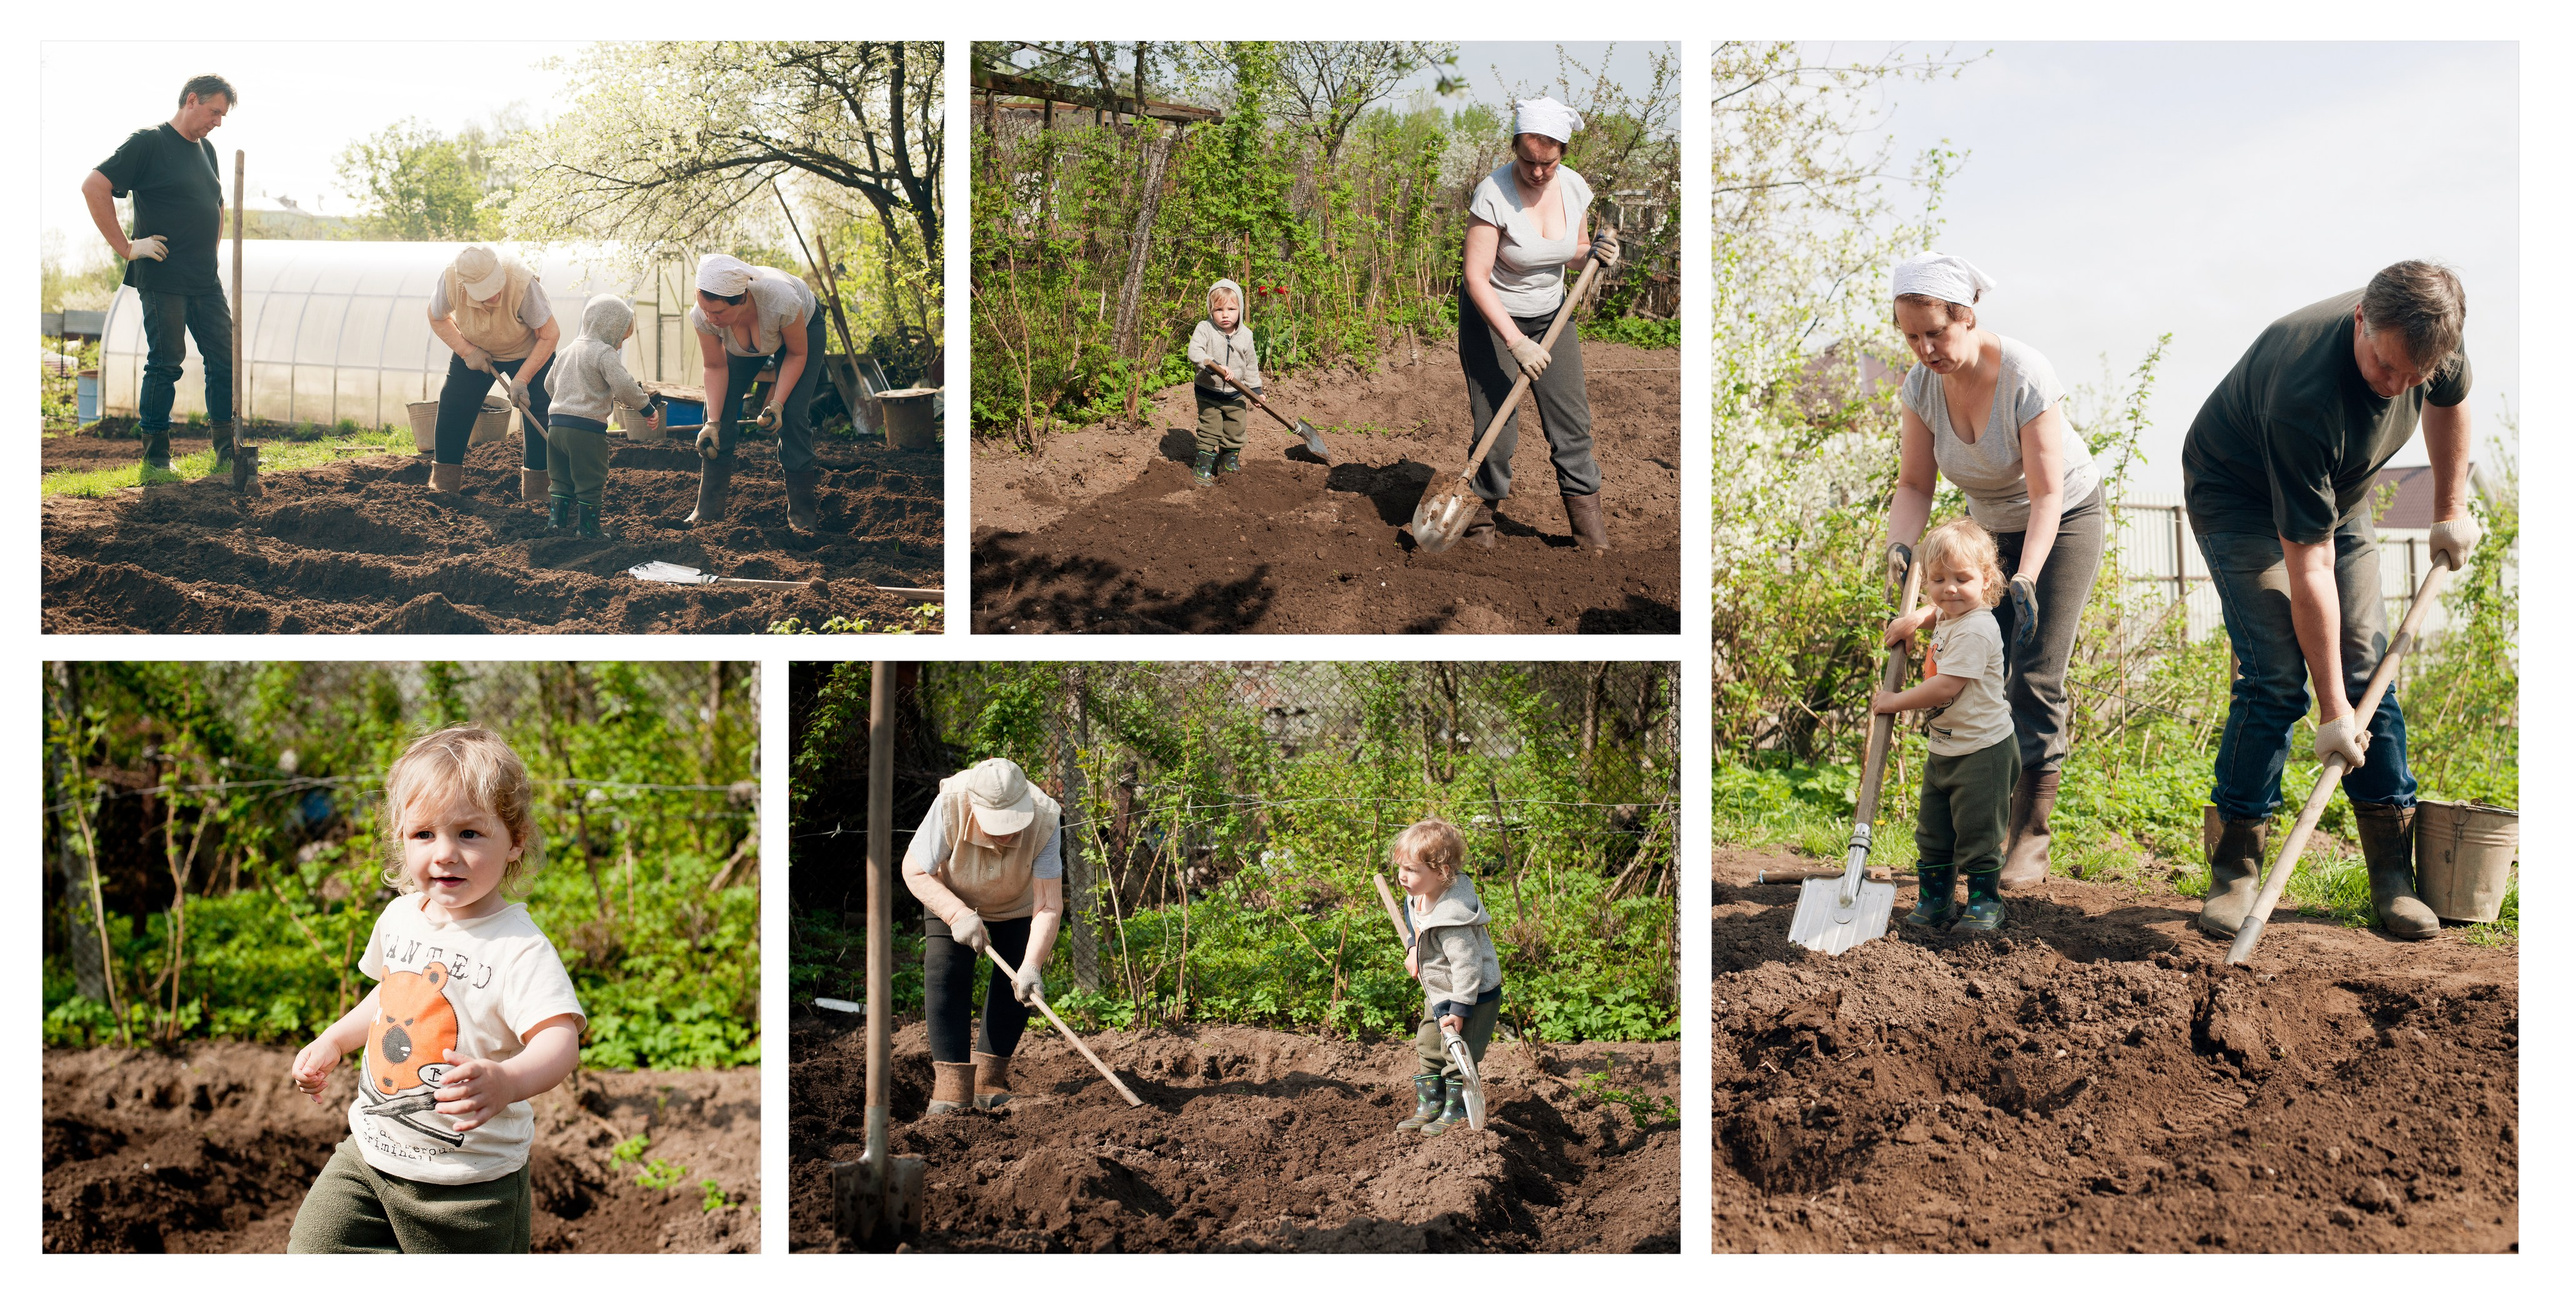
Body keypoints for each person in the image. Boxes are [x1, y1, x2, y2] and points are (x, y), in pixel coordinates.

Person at [2181, 260, 2477, 942]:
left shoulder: (2435, 333)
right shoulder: (2304, 394)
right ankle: (2235, 867)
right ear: (2360, 324)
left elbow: (2450, 400)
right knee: (2278, 672)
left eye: (2411, 376)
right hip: (2242, 496)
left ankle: (2390, 875)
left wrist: (2449, 507)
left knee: (2371, 663)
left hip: (2341, 494)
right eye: (2383, 367)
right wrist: (2333, 710)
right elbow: (2309, 564)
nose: (2395, 386)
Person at [284, 727, 584, 1253]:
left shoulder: (518, 948)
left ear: (514, 839)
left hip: (470, 1185)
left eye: (469, 834)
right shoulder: (401, 917)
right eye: (424, 834)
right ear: (400, 837)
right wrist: (334, 1039)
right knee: (314, 1251)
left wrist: (507, 1081)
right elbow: (391, 998)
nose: (444, 854)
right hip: (371, 1153)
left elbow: (560, 1042)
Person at [1882, 252, 2107, 890]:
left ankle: (2029, 839)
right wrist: (1902, 550)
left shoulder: (2024, 374)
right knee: (1970, 665)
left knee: (2031, 676)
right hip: (1988, 532)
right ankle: (1973, 829)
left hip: (2060, 522)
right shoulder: (1921, 385)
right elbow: (1913, 483)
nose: (1925, 348)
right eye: (1911, 336)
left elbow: (2046, 497)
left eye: (1936, 332)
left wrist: (2027, 578)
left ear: (1968, 316)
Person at [1457, 97, 1622, 551]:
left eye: (1547, 163)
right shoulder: (1493, 194)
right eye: (1527, 160)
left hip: (1552, 314)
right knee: (1499, 428)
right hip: (1493, 317)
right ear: (1515, 149)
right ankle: (1479, 528)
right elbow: (1475, 277)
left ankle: (1591, 540)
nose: (1536, 172)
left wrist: (1595, 254)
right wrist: (1515, 342)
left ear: (1562, 154)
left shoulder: (1573, 188)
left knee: (1572, 424)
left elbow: (1577, 246)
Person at [83, 75, 238, 474]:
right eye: (215, 111)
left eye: (223, 115)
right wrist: (127, 247)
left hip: (205, 280)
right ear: (191, 100)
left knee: (224, 360)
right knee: (167, 362)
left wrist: (211, 253)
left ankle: (226, 447)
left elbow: (216, 205)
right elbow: (94, 185)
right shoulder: (148, 142)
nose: (218, 121)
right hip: (163, 277)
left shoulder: (208, 150)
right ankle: (156, 455)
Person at [1874, 519, 2021, 933]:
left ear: (1986, 578)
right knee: (1934, 832)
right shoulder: (1951, 613)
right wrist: (1915, 620)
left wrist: (1895, 703)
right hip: (1945, 749)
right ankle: (1936, 899)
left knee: (1978, 835)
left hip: (1983, 752)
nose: (1949, 588)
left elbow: (1945, 687)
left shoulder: (1977, 627)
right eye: (1938, 579)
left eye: (1962, 578)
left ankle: (1985, 903)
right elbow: (1940, 609)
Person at [900, 758, 1063, 1114]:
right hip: (952, 895)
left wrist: (1032, 965)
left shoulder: (1047, 818)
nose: (1006, 835)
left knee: (1017, 986)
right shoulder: (951, 803)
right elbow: (914, 870)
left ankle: (988, 1082)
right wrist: (958, 914)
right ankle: (951, 1091)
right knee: (946, 972)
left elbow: (1048, 905)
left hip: (1019, 905)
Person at [689, 253, 827, 531]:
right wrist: (712, 423)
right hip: (747, 342)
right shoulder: (704, 316)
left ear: (741, 299)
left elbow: (797, 354)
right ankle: (707, 512)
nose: (710, 318)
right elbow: (715, 367)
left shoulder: (781, 301)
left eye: (717, 313)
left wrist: (777, 403)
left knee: (793, 416)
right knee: (717, 411)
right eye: (705, 309)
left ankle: (802, 517)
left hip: (802, 329)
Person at [1389, 817, 1502, 1137]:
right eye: (1400, 867)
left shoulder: (1454, 919)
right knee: (1428, 1040)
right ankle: (1430, 1103)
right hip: (1439, 989)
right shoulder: (1418, 893)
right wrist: (1413, 948)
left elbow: (1468, 967)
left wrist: (1459, 1010)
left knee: (1459, 1050)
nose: (1402, 876)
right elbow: (1414, 923)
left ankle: (1456, 1110)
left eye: (1411, 870)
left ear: (1441, 873)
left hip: (1473, 995)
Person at [425, 245, 560, 500]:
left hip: (528, 349)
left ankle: (538, 492)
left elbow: (549, 334)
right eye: (486, 293)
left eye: (496, 287)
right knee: (454, 404)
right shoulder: (452, 279)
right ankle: (443, 484)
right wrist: (466, 351)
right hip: (478, 348)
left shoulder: (522, 282)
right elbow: (436, 317)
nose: (495, 295)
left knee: (540, 410)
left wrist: (523, 378)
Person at [541, 294, 658, 538]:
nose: (619, 346)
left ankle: (556, 524)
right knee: (590, 478)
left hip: (556, 428)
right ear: (610, 328)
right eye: (620, 339)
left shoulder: (566, 351)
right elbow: (624, 386)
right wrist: (647, 408)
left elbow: (548, 385)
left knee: (560, 478)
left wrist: (566, 402)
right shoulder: (603, 353)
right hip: (585, 430)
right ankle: (588, 529)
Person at [1186, 278, 1263, 484]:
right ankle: (1203, 465)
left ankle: (1228, 462)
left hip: (1236, 394)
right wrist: (1215, 366)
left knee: (1235, 428)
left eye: (1231, 308)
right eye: (1219, 309)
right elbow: (1194, 351)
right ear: (1211, 310)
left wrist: (1255, 390)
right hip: (1208, 391)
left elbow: (1251, 365)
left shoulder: (1246, 335)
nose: (1225, 314)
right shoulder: (1205, 329)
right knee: (1209, 427)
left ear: (1241, 309)